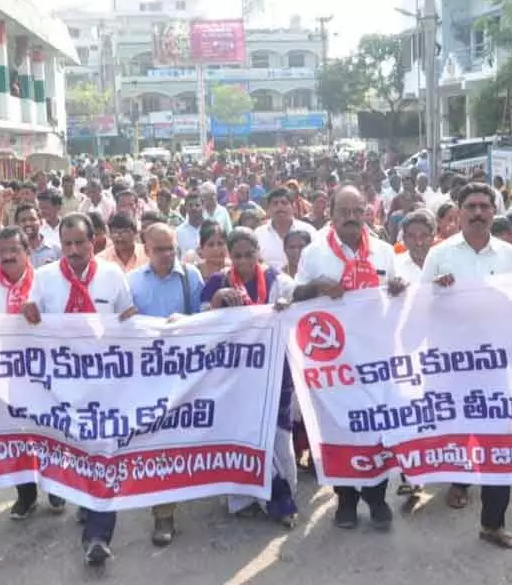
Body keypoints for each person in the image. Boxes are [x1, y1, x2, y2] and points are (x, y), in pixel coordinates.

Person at [421, 182, 512, 549]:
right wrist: (436, 290)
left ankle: (493, 524)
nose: (478, 212)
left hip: (497, 368)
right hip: (453, 366)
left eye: (485, 206)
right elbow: (419, 307)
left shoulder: (511, 256)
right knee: (457, 435)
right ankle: (457, 481)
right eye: (470, 206)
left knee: (499, 443)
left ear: (494, 210)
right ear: (458, 211)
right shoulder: (439, 256)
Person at [20, 213, 136, 567]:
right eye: (67, 244)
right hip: (62, 385)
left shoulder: (114, 276)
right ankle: (86, 500)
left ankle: (98, 535)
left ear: (94, 241)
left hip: (105, 383)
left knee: (103, 451)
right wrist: (27, 312)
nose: (73, 250)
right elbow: (29, 322)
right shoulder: (43, 278)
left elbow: (130, 321)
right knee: (73, 449)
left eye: (80, 243)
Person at [293, 185, 403, 532]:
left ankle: (377, 497)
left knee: (376, 431)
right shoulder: (314, 255)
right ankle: (345, 500)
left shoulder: (385, 251)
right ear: (332, 214)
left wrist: (399, 289)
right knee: (338, 428)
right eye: (345, 211)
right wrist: (316, 288)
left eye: (359, 211)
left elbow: (398, 297)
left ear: (367, 213)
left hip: (375, 360)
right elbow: (294, 296)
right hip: (333, 363)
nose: (352, 218)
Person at [201, 227, 299, 527]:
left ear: (259, 252)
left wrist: (286, 306)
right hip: (235, 373)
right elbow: (202, 323)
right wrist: (217, 301)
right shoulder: (218, 283)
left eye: (249, 254)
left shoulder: (278, 281)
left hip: (275, 371)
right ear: (230, 255)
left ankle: (283, 500)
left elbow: (298, 309)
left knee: (278, 434)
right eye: (238, 255)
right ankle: (243, 498)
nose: (243, 260)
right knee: (241, 432)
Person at [0, 227, 67, 519]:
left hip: (46, 374)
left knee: (50, 431)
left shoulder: (46, 283)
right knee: (16, 437)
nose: (7, 257)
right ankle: (25, 495)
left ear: (27, 252)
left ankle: (56, 488)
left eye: (13, 251)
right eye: (2, 251)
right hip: (6, 375)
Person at [128, 223, 205, 546]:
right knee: (159, 443)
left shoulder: (191, 277)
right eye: (159, 249)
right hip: (148, 377)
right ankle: (164, 514)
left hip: (185, 373)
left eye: (171, 248)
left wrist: (187, 323)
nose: (166, 255)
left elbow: (205, 319)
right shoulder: (131, 283)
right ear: (146, 250)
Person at [255, 188, 317, 272]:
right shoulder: (258, 234)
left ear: (293, 207)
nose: (280, 207)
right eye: (275, 203)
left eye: (284, 203)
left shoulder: (308, 230)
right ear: (268, 209)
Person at [396, 210, 436, 284]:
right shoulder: (395, 265)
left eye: (424, 236)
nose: (419, 242)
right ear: (404, 239)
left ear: (432, 237)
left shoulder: (443, 262)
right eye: (412, 236)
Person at [176, 193, 205, 258]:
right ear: (186, 208)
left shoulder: (210, 228)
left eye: (197, 205)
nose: (193, 208)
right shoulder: (178, 231)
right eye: (190, 205)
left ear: (203, 207)